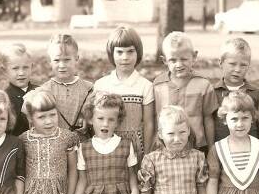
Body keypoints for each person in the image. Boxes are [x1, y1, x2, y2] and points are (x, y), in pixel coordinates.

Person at [94, 27, 155, 163]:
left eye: (130, 51)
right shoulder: (101, 85)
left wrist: (147, 153)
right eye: (120, 52)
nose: (125, 57)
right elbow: (96, 120)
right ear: (111, 53)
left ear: (138, 53)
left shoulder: (145, 86)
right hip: (108, 143)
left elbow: (149, 123)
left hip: (136, 145)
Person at [153, 32, 218, 155]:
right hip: (166, 147)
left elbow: (208, 119)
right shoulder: (158, 85)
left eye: (184, 59)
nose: (179, 64)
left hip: (198, 147)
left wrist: (211, 149)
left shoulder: (203, 85)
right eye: (173, 60)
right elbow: (155, 117)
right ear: (164, 60)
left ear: (194, 56)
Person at [40, 34, 93, 136]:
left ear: (76, 58)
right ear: (49, 61)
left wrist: (88, 120)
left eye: (67, 60)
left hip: (82, 145)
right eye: (56, 60)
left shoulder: (89, 89)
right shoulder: (44, 91)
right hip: (55, 145)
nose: (62, 65)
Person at [212, 37, 259, 142]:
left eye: (243, 65)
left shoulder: (256, 94)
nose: (237, 69)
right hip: (221, 150)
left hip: (250, 150)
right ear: (221, 63)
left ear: (249, 66)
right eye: (232, 64)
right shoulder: (212, 92)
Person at [3, 43, 38, 137]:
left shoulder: (39, 92)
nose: (21, 73)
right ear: (5, 70)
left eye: (25, 67)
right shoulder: (4, 97)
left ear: (32, 67)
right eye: (15, 68)